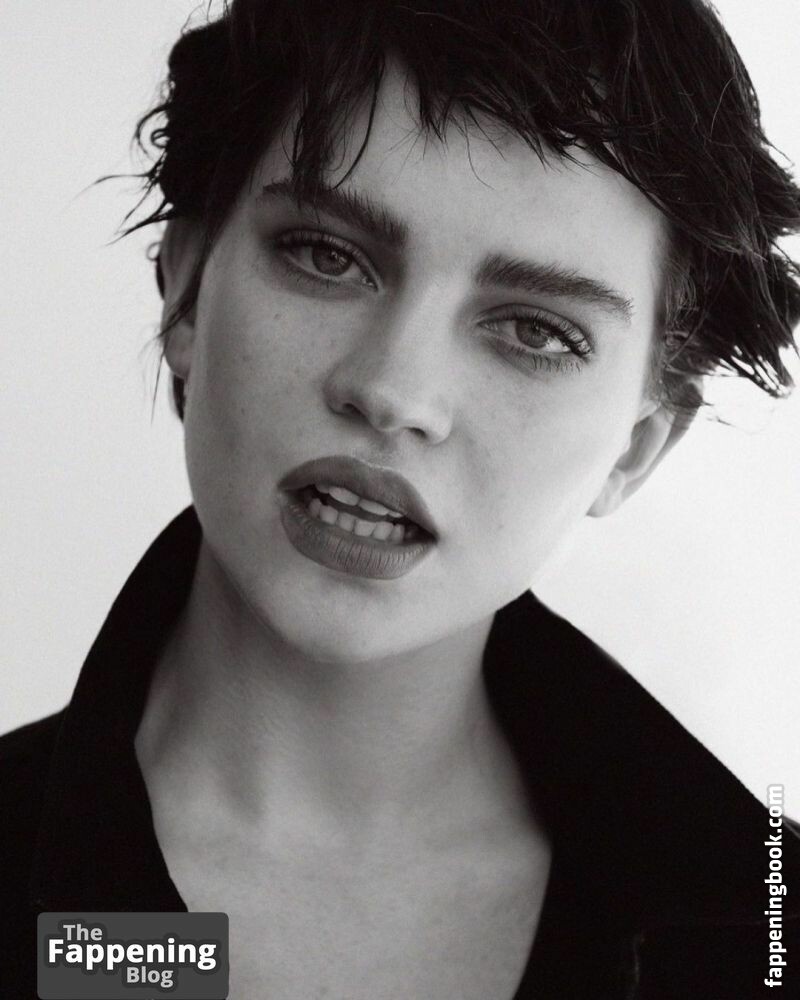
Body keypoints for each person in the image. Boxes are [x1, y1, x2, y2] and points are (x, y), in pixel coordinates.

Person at [2, 1, 800, 996]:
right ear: (186, 290)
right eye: (325, 255)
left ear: (635, 449)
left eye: (536, 331)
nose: (392, 392)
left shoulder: (768, 937)